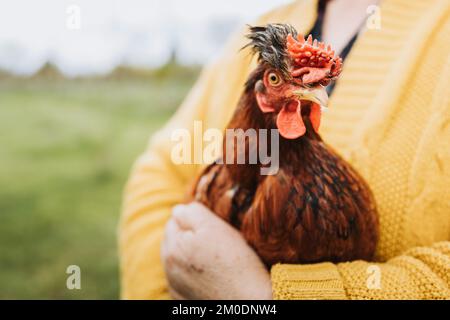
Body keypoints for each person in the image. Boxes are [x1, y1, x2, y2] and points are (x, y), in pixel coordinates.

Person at [119, 0, 450, 299]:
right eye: (279, 81)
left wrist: (257, 294)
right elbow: (160, 169)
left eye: (312, 85)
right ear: (262, 90)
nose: (308, 91)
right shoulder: (262, 27)